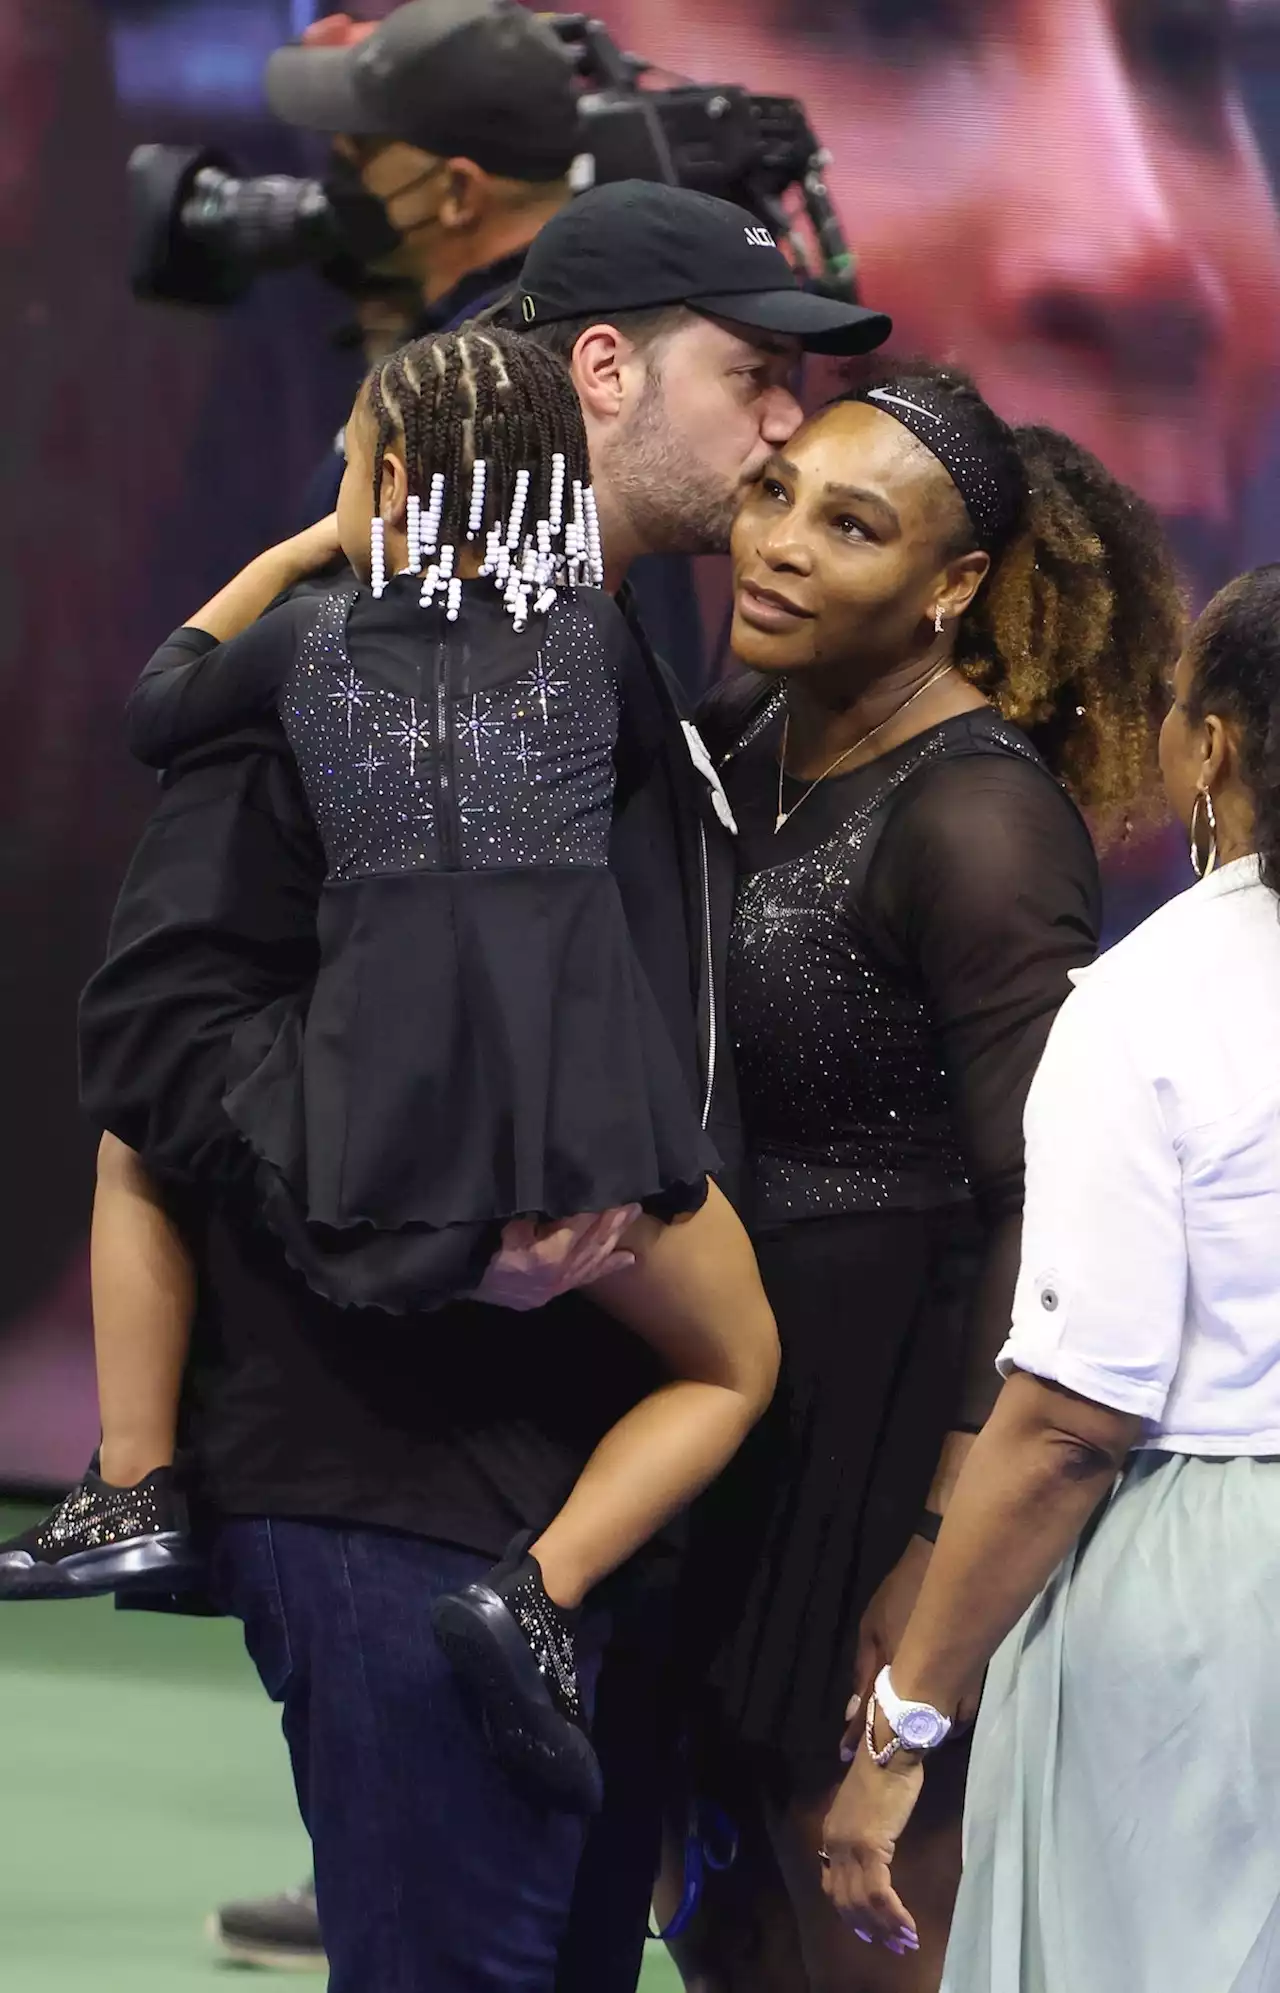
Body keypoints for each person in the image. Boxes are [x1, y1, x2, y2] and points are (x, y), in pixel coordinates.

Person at [69, 182, 889, 1993]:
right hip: (395, 1477)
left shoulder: (644, 674)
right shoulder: (348, 651)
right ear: (602, 370)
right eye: (752, 376)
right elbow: (158, 1032)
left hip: (574, 1498)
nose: (786, 423)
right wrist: (435, 1193)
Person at [4, 327, 784, 1817]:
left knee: (137, 1141)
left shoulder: (303, 646)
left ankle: (130, 1482)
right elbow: (628, 814)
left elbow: (158, 706)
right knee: (734, 1363)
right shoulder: (604, 648)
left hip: (373, 1139)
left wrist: (314, 547)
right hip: (575, 1135)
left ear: (398, 483)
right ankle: (537, 1597)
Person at [667, 363, 1184, 1993]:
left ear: (953, 588)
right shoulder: (746, 727)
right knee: (729, 1924)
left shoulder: (978, 819)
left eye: (852, 524)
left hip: (895, 1428)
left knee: (870, 1924)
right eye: (776, 495)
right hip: (739, 1401)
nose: (783, 545)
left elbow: (1042, 1197)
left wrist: (938, 1548)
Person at [820, 562, 1280, 1993]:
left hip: (1204, 1600)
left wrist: (901, 1732)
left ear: (1209, 746)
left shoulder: (1148, 1002)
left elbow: (1076, 1424)